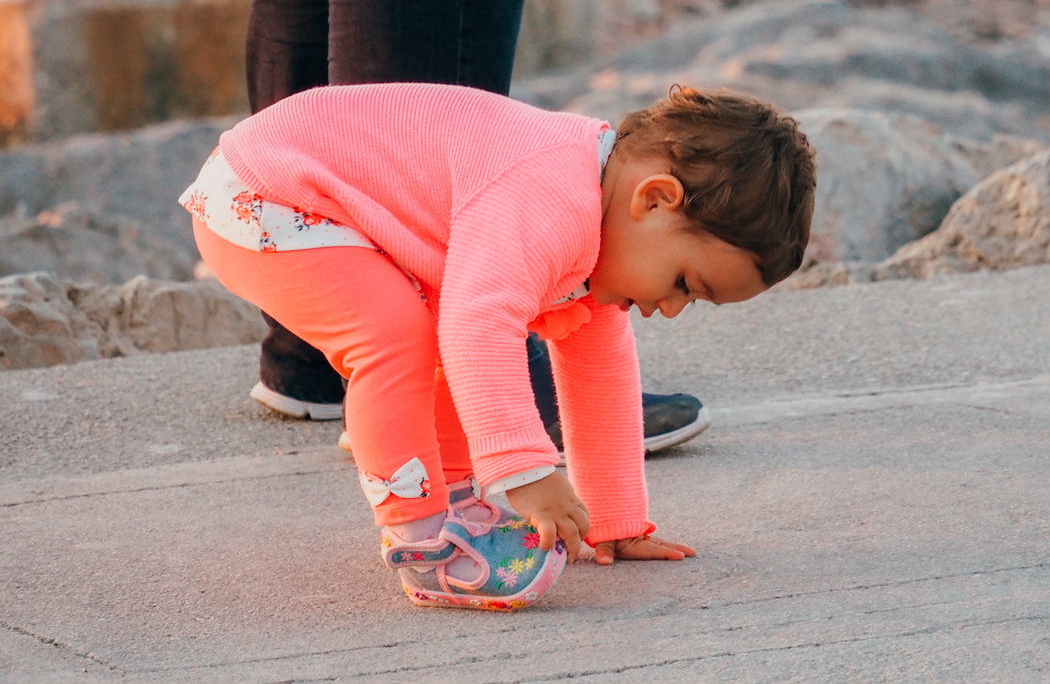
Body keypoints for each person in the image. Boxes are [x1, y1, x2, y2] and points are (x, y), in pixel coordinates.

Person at [180, 83, 816, 608]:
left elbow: (599, 370)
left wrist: (615, 520)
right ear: (654, 199)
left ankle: (455, 498)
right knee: (398, 336)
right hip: (272, 192)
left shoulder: (603, 216)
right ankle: (419, 536)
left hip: (322, 194)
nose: (671, 309)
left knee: (435, 329)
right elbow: (480, 325)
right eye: (684, 283)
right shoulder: (551, 199)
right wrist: (529, 475)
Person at [244, 0, 712, 453]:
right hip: (244, 188)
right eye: (686, 285)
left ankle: (333, 324)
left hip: (250, 185)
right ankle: (438, 369)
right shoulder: (566, 202)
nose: (675, 306)